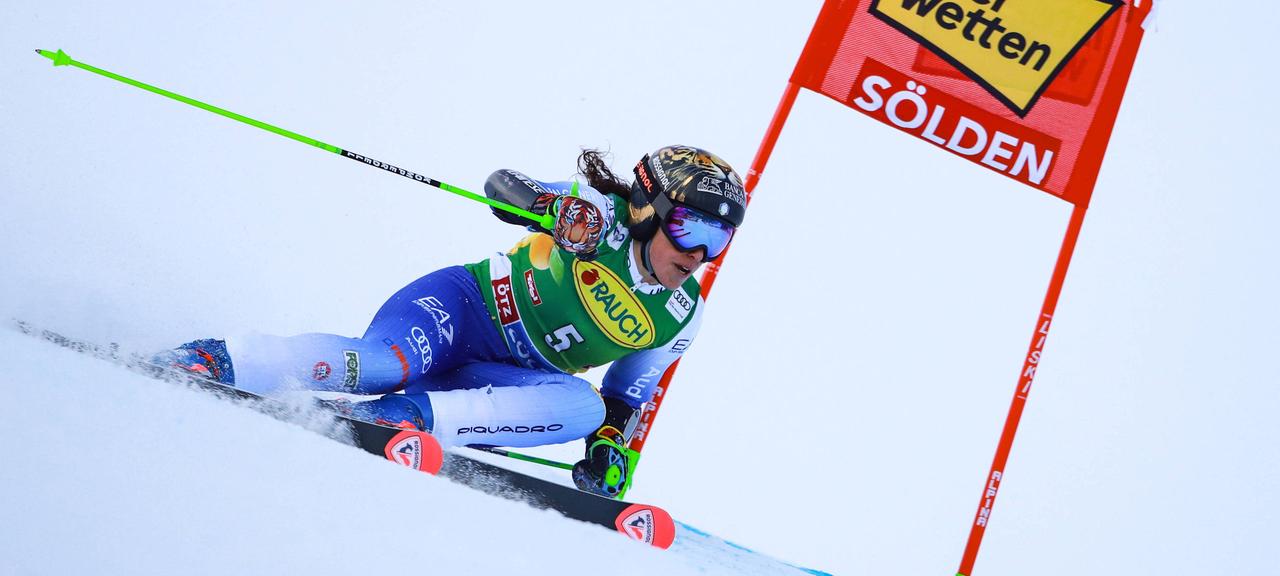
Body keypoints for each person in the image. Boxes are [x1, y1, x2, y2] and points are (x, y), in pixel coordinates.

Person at [156, 145, 747, 496]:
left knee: (584, 407)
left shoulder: (680, 316)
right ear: (649, 208)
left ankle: (403, 417)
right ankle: (225, 357)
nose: (698, 254)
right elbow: (501, 188)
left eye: (718, 240)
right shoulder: (600, 215)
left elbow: (623, 399)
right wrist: (550, 210)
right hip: (460, 311)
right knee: (383, 364)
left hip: (497, 379)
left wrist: (608, 450)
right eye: (689, 228)